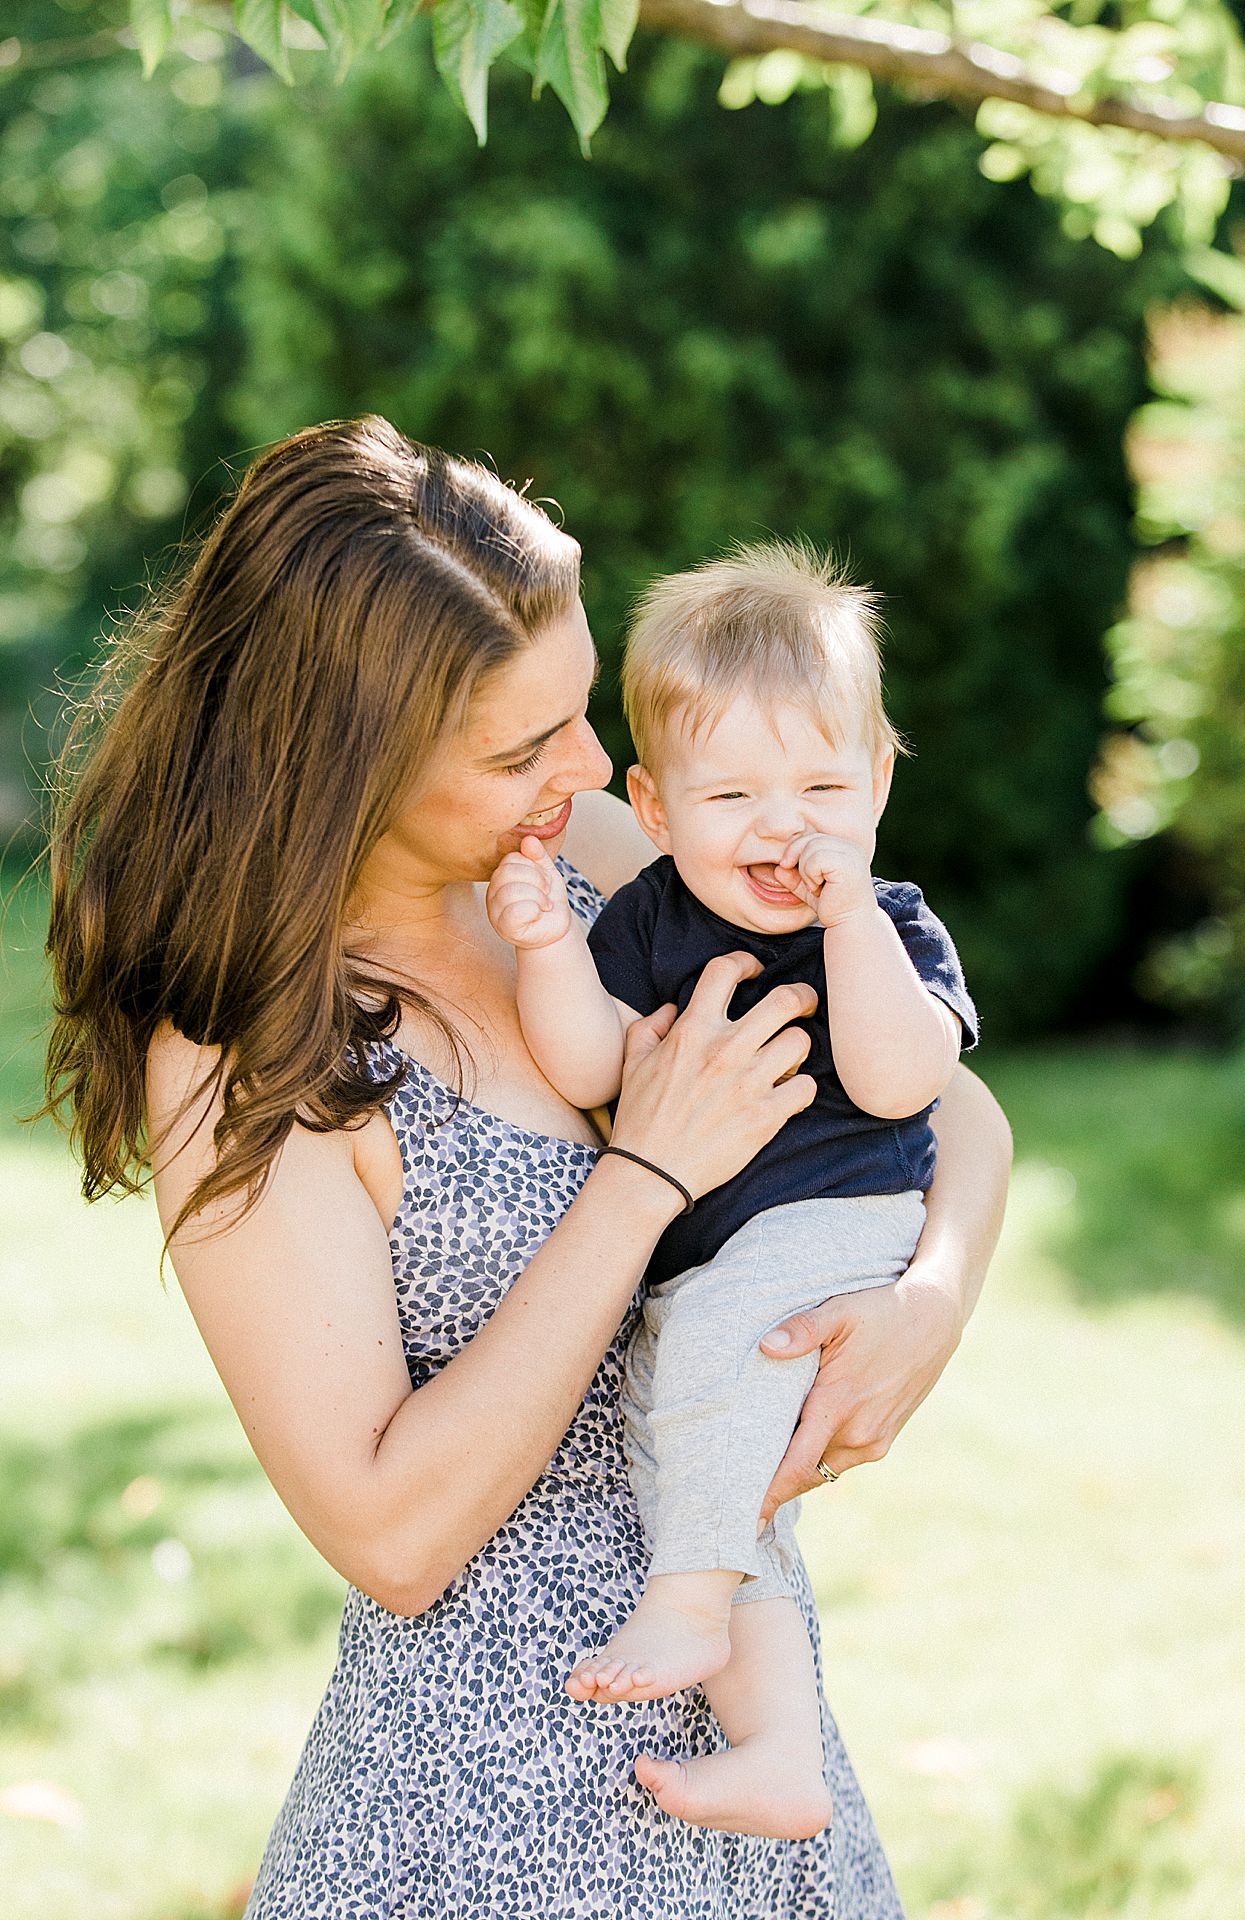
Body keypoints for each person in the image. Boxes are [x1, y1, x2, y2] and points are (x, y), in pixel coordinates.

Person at [41, 415, 1011, 1919]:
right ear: (347, 763)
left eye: (574, 712)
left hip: (758, 1750)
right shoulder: (250, 1050)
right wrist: (643, 1177)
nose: (586, 762)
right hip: (498, 1803)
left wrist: (934, 1296)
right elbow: (392, 1534)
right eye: (519, 746)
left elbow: (952, 1108)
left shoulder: (609, 855)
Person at [485, 540, 979, 1842]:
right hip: (715, 1254)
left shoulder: (891, 919)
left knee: (709, 1361)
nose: (785, 827)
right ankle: (776, 1748)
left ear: (877, 781)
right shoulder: (647, 920)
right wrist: (544, 951)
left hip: (837, 1225)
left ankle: (691, 1611)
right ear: (655, 810)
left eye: (824, 784)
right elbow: (592, 1065)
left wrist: (852, 924)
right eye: (736, 795)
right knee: (681, 1427)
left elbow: (897, 1077)